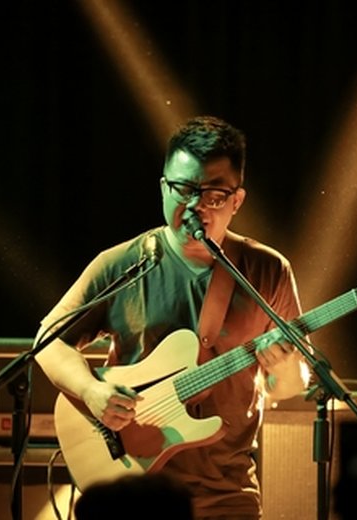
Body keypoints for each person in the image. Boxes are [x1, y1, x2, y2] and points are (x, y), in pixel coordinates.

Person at [33, 115, 311, 520]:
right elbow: (48, 341)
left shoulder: (268, 270)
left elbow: (288, 385)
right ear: (163, 188)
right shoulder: (122, 264)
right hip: (134, 491)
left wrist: (284, 367)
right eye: (184, 189)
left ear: (237, 201)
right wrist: (91, 392)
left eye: (214, 195)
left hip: (226, 491)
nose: (196, 206)